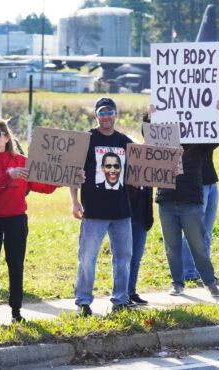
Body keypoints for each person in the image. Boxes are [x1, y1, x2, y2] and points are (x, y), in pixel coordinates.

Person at [0, 116, 74, 326]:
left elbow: (43, 186)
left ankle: (16, 311)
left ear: (7, 137)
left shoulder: (22, 161)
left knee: (16, 264)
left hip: (16, 220)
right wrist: (7, 176)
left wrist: (65, 178)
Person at [153, 100, 219, 297]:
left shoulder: (199, 146)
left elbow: (215, 138)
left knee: (198, 245)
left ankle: (209, 281)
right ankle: (177, 283)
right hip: (166, 201)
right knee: (171, 247)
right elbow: (149, 135)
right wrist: (149, 116)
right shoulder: (163, 144)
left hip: (190, 203)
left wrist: (218, 117)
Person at [69, 97, 134, 317]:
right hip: (93, 210)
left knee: (124, 257)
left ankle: (121, 300)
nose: (106, 116)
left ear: (116, 114)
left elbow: (146, 166)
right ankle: (83, 301)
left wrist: (172, 161)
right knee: (87, 257)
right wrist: (74, 200)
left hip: (121, 211)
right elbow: (72, 171)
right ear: (96, 115)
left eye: (110, 112)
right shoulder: (87, 140)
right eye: (102, 112)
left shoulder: (125, 141)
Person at [181, 99, 219, 282]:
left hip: (211, 182)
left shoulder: (205, 123)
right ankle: (189, 272)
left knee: (206, 231)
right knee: (194, 229)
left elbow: (215, 130)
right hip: (196, 184)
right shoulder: (185, 127)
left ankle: (203, 270)